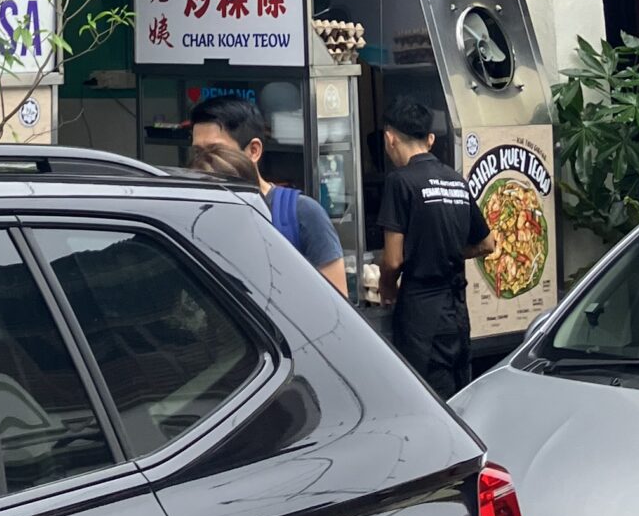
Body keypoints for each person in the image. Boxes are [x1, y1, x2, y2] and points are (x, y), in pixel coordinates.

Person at [375, 94, 493, 397]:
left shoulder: (400, 182)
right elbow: (487, 243)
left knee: (426, 400)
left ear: (390, 138)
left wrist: (387, 288)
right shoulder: (455, 180)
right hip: (457, 314)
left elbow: (392, 260)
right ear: (429, 139)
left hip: (421, 317)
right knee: (458, 399)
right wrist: (449, 250)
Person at [189, 94, 349, 296]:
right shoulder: (198, 215)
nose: (205, 161)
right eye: (198, 152)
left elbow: (337, 304)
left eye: (216, 150)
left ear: (253, 150)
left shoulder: (302, 213)